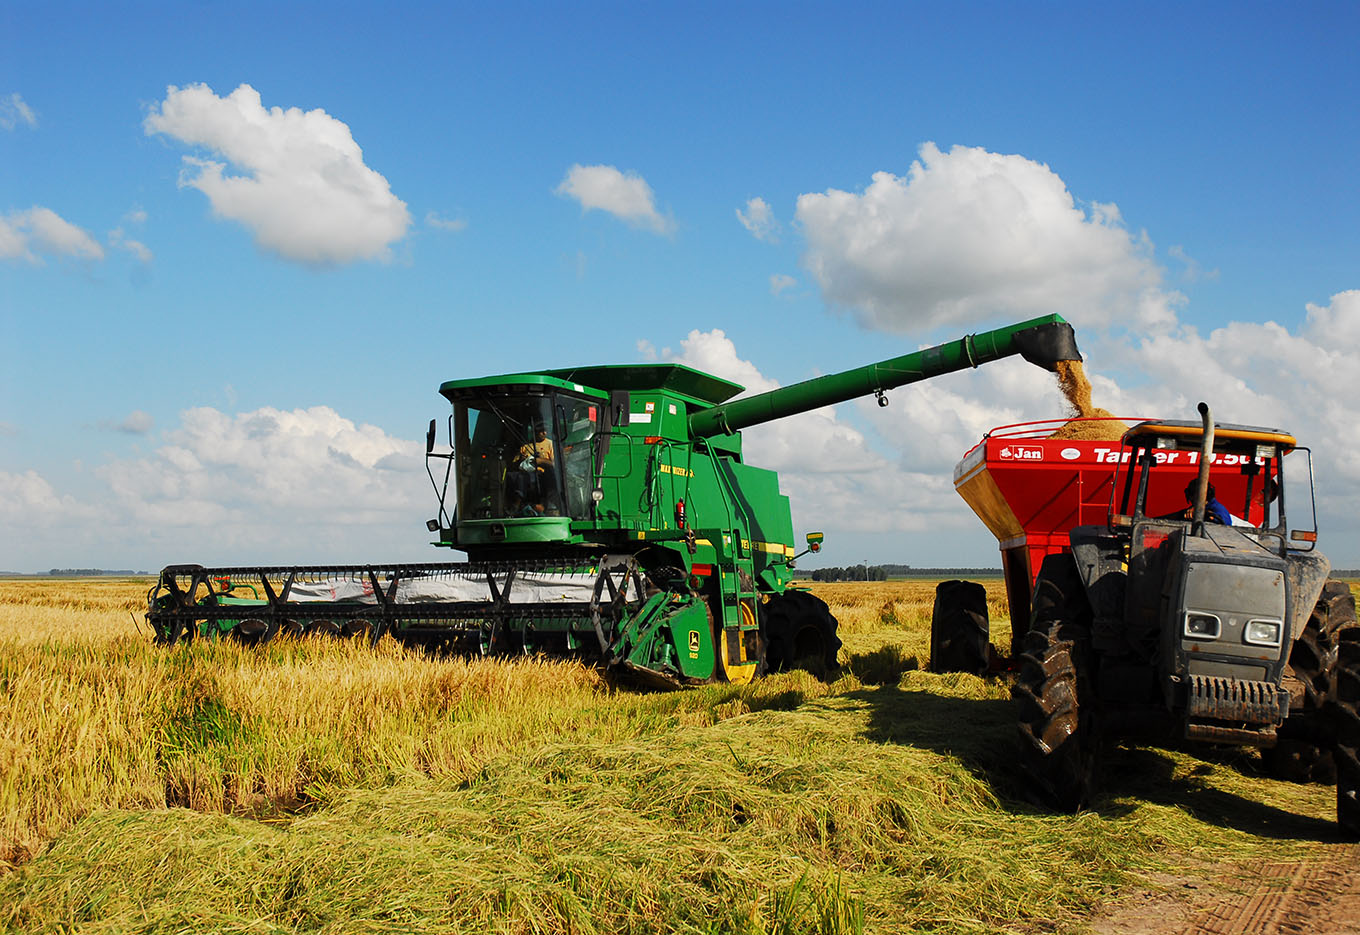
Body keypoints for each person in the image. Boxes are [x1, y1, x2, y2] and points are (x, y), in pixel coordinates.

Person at [506, 422, 556, 511]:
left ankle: (544, 505)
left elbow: (554, 464)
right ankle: (515, 505)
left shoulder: (550, 444)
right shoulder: (525, 446)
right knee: (516, 476)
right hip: (527, 476)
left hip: (544, 477)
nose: (544, 433)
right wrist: (521, 460)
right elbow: (514, 465)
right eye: (541, 431)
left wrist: (540, 461)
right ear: (535, 432)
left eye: (545, 431)